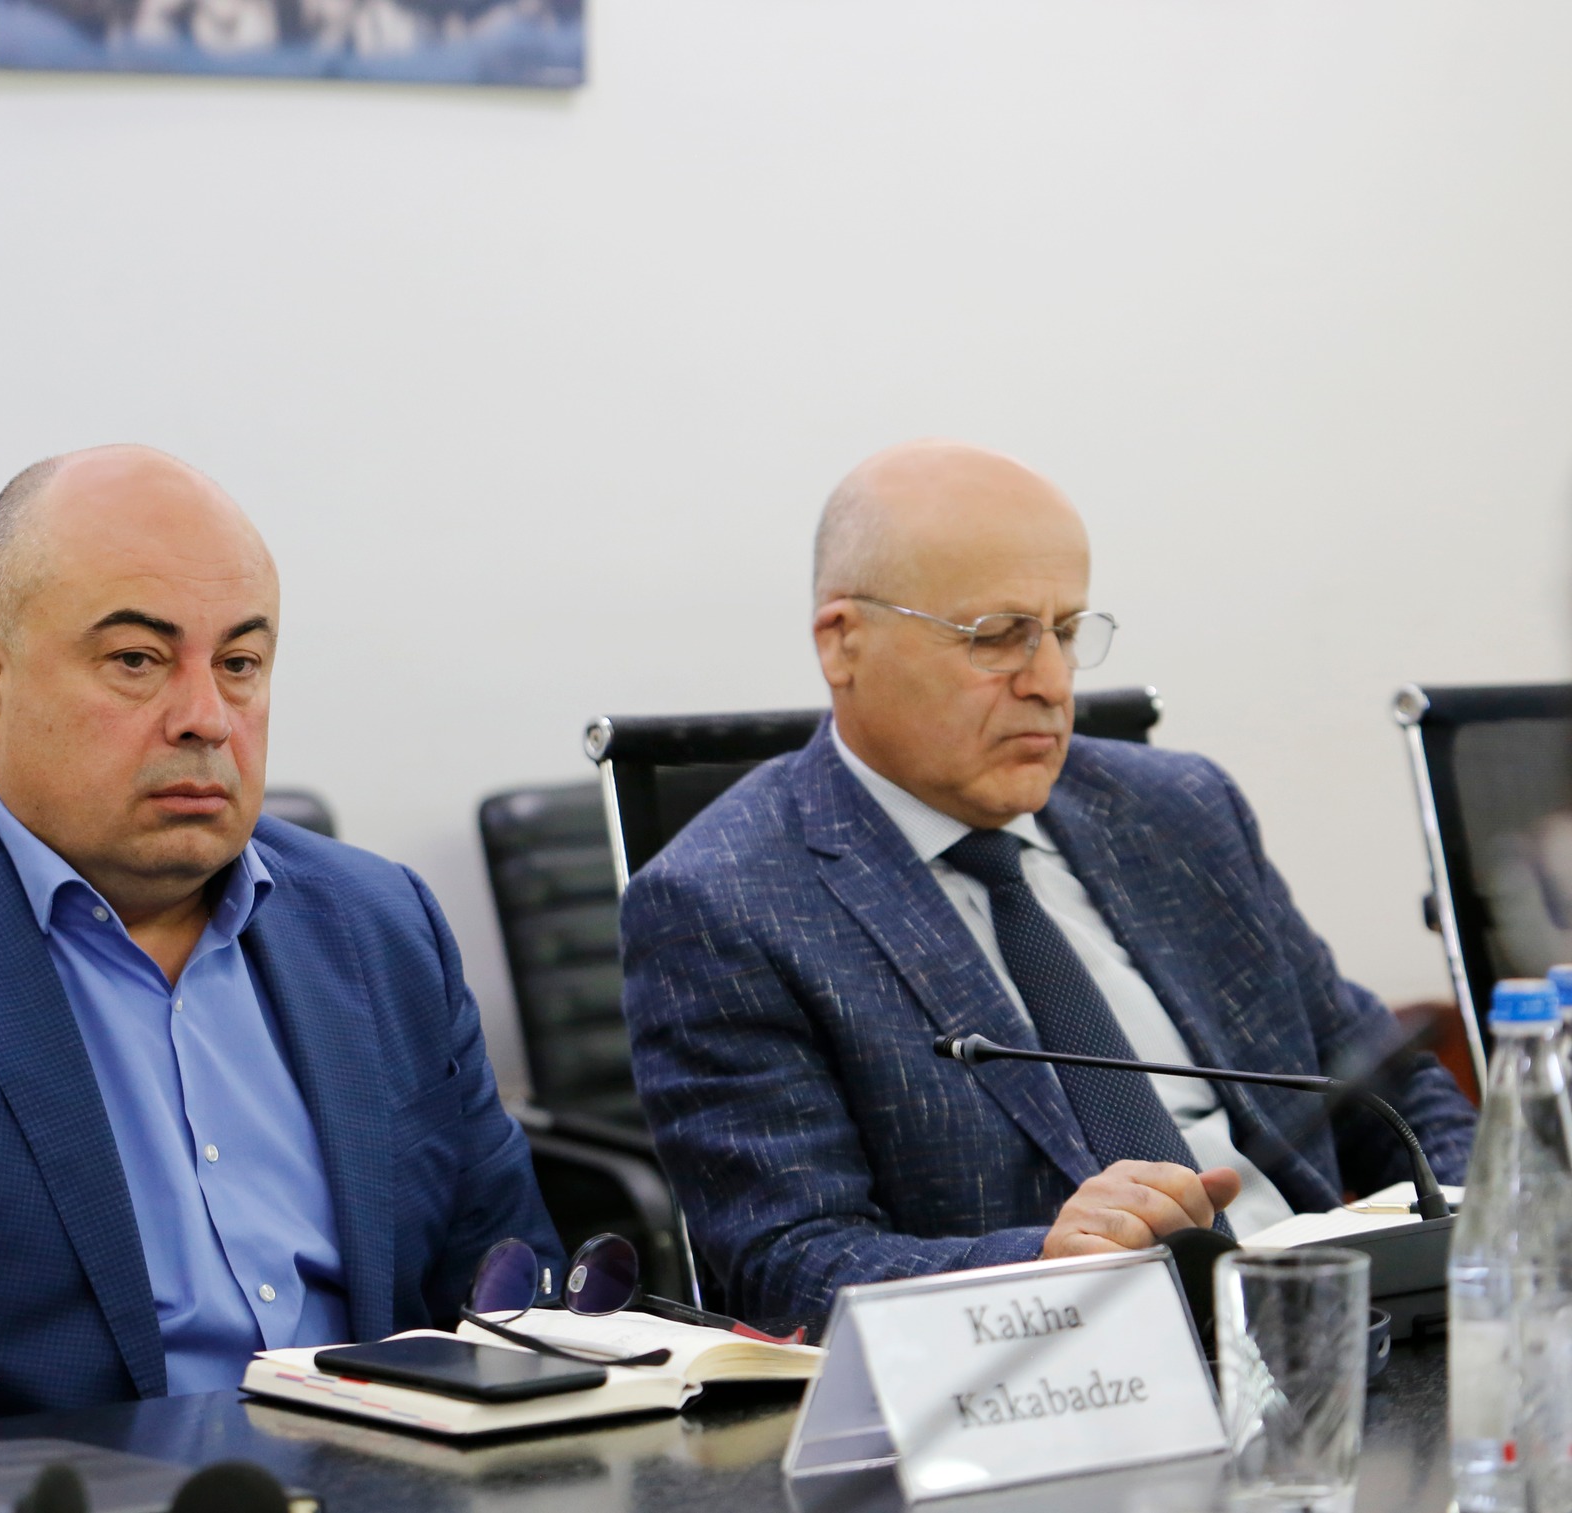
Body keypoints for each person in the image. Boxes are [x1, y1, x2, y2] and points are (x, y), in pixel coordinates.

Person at [0, 445, 560, 1455]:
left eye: (239, 664)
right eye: (137, 660)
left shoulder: (381, 926)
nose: (206, 719)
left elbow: (520, 1314)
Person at [620, 440, 1476, 1328]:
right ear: (845, 642)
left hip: (1340, 1322)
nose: (1051, 683)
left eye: (1065, 633)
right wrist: (1044, 1264)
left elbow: (1389, 1078)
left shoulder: (1179, 809)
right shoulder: (722, 903)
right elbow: (787, 1266)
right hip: (1069, 1369)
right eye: (997, 637)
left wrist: (1485, 1233)